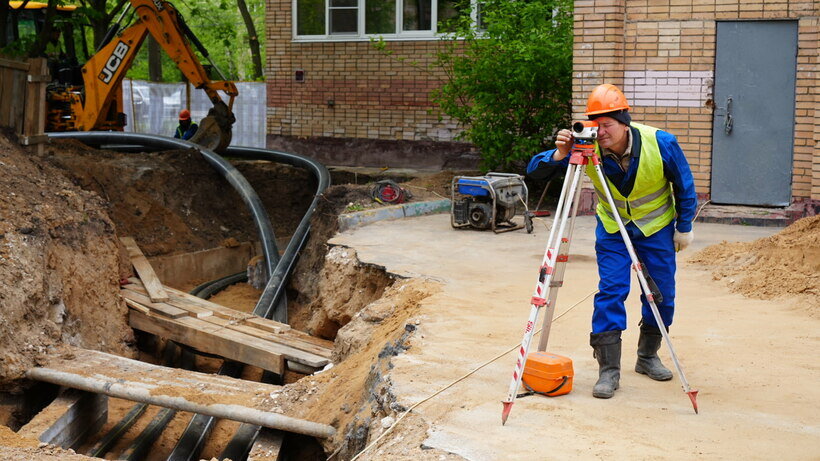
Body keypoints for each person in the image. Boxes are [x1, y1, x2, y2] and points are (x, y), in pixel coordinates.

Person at [527, 83, 697, 399]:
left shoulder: (660, 143)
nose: (601, 132)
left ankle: (647, 356)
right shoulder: (586, 146)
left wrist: (684, 227)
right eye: (597, 125)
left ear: (624, 122)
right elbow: (535, 172)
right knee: (612, 290)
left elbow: (684, 186)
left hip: (656, 228)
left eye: (608, 125)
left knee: (661, 295)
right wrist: (561, 153)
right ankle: (609, 371)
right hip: (613, 230)